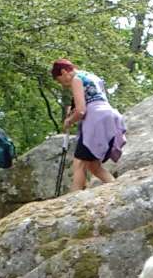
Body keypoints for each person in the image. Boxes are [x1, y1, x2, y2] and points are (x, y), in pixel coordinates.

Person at [51, 59, 125, 193]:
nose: (62, 84)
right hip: (110, 117)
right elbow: (94, 99)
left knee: (79, 162)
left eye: (59, 80)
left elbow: (81, 111)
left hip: (95, 121)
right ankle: (116, 188)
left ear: (64, 72)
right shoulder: (91, 76)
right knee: (93, 165)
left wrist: (69, 121)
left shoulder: (76, 79)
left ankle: (74, 196)